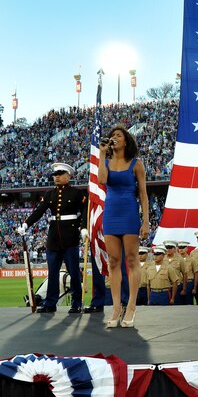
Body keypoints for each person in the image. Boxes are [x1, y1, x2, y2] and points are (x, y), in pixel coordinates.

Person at [17, 162, 87, 313]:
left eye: (60, 175)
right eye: (55, 175)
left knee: (74, 272)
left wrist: (84, 228)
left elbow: (85, 211)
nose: (57, 178)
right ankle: (50, 303)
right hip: (53, 237)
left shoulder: (77, 193)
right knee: (52, 273)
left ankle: (76, 303)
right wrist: (25, 224)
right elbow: (39, 211)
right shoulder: (49, 194)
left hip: (70, 237)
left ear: (68, 176)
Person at [98, 126, 150, 328]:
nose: (114, 138)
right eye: (112, 136)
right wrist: (102, 154)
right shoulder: (107, 161)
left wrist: (145, 221)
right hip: (110, 212)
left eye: (118, 135)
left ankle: (131, 306)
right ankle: (116, 307)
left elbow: (144, 194)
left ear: (126, 141)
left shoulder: (137, 163)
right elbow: (102, 180)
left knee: (131, 259)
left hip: (129, 211)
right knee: (113, 261)